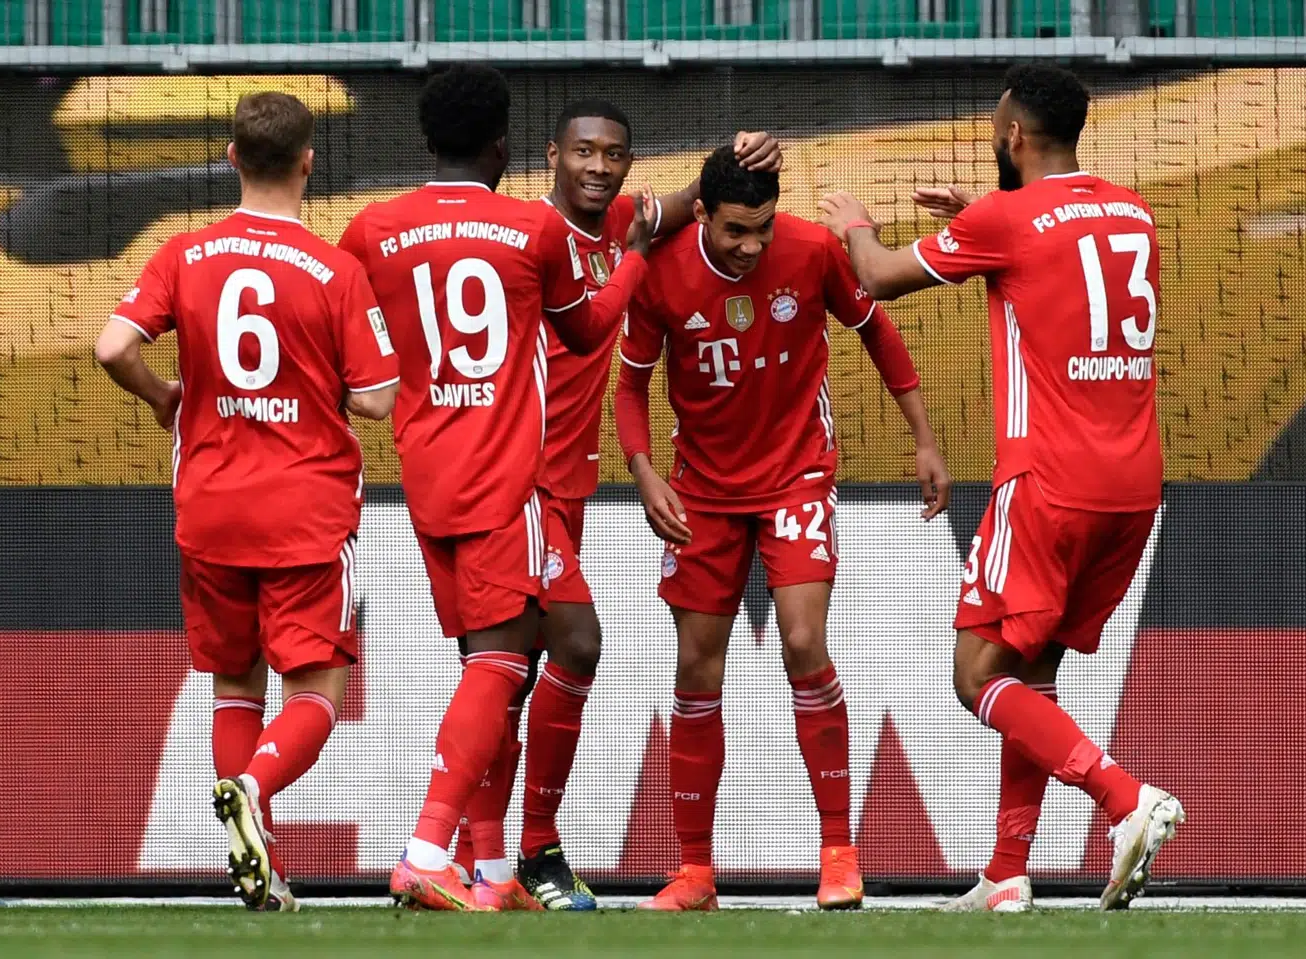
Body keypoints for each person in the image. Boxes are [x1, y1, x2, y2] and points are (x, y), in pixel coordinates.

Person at [818, 62, 1183, 912]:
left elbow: (873, 276)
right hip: (1133, 483)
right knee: (1033, 668)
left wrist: (856, 222)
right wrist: (975, 220)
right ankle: (1008, 870)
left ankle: (1126, 799)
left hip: (1049, 478)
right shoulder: (1132, 210)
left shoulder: (1006, 217)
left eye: (996, 123)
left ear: (1013, 133)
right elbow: (1054, 255)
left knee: (977, 672)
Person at [449, 97, 784, 912]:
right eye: (584, 153)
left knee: (524, 669)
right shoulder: (527, 237)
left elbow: (699, 200)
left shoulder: (630, 219)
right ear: (550, 155)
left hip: (566, 491)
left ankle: (497, 856)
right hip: (511, 484)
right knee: (555, 652)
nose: (599, 167)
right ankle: (510, 850)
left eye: (615, 155)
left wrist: (735, 144)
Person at [337, 63, 653, 912]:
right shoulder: (530, 230)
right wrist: (629, 263)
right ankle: (424, 850)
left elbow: (333, 332)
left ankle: (489, 871)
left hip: (426, 476)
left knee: (500, 659)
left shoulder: (371, 229)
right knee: (511, 659)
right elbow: (586, 331)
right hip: (507, 479)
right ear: (506, 147)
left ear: (426, 140)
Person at [614, 144, 951, 911]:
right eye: (736, 230)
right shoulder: (660, 269)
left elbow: (878, 333)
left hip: (797, 470)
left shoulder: (807, 249)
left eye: (762, 228)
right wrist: (642, 472)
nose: (753, 245)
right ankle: (695, 872)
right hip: (700, 487)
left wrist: (925, 439)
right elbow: (629, 386)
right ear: (700, 212)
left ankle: (839, 853)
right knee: (697, 670)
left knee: (804, 640)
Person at [95, 91, 400, 912]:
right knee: (317, 695)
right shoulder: (335, 270)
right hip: (302, 509)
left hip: (209, 505)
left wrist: (165, 395)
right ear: (309, 162)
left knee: (236, 685)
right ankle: (253, 793)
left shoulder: (186, 253)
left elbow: (110, 345)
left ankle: (260, 863)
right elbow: (376, 399)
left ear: (230, 158)